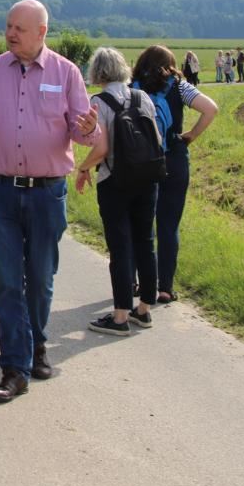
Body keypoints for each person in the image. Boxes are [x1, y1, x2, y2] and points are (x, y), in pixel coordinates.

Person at [0, 0, 100, 403]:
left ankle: (37, 344)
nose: (10, 33)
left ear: (41, 32)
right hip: (0, 193)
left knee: (41, 277)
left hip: (47, 194)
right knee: (9, 281)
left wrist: (89, 129)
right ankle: (14, 367)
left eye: (19, 28)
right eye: (8, 26)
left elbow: (81, 132)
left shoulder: (66, 73)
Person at [75, 47, 158, 336]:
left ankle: (120, 316)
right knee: (145, 241)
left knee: (120, 247)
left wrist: (83, 168)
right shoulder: (142, 96)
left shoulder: (98, 102)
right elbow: (156, 138)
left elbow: (102, 148)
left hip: (115, 181)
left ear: (97, 71)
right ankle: (144, 309)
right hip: (147, 178)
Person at [132, 45, 218, 304]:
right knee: (168, 225)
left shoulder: (132, 87)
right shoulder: (179, 86)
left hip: (141, 161)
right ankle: (165, 288)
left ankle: (136, 281)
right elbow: (211, 108)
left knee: (140, 224)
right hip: (174, 159)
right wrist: (190, 135)